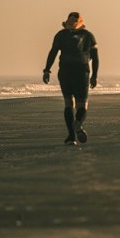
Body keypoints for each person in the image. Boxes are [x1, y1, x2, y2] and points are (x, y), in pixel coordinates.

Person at [43, 12, 99, 145]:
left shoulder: (61, 35)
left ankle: (71, 137)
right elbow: (95, 58)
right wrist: (94, 76)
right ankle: (78, 122)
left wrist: (47, 70)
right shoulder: (88, 35)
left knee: (68, 103)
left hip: (65, 72)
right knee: (82, 105)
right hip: (82, 72)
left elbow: (53, 53)